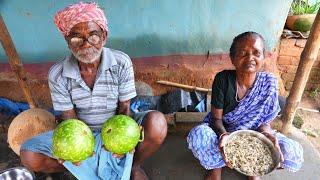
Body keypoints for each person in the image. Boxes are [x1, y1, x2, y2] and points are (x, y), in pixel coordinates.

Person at [20, 2, 167, 180]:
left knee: (157, 123)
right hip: (82, 133)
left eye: (93, 36)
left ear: (104, 37)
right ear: (68, 41)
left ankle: (133, 165)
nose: (86, 44)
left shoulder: (121, 62)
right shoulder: (58, 74)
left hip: (114, 128)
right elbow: (70, 119)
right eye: (76, 38)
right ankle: (81, 167)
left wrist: (124, 143)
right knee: (29, 155)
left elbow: (124, 109)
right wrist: (72, 149)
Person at [187, 32, 304, 180]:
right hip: (224, 133)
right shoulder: (223, 79)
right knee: (199, 135)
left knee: (291, 152)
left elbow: (264, 123)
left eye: (256, 53)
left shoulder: (269, 83)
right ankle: (215, 168)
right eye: (243, 53)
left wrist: (268, 135)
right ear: (233, 58)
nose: (250, 58)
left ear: (263, 57)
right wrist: (225, 137)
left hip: (253, 137)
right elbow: (216, 120)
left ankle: (252, 169)